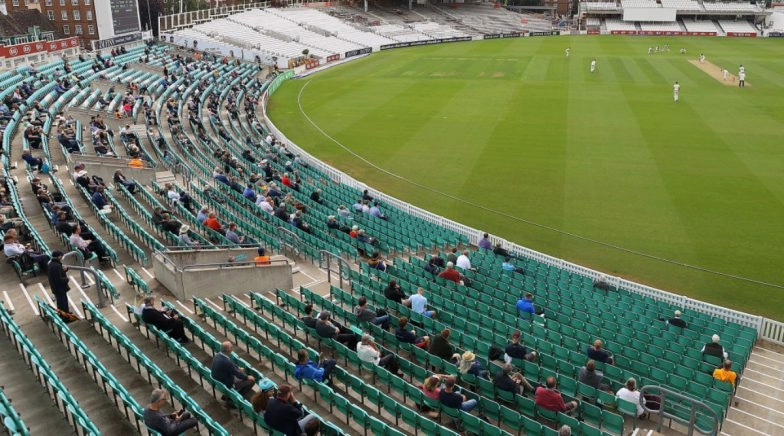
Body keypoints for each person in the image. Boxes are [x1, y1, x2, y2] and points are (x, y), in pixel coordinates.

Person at [211, 341, 255, 406]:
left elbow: (231, 365)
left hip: (219, 380)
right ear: (228, 350)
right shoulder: (226, 361)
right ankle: (233, 398)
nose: (232, 348)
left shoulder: (218, 355)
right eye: (231, 347)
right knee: (251, 381)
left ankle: (228, 396)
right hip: (226, 383)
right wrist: (247, 377)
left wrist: (237, 368)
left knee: (241, 373)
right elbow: (237, 373)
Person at [47, 251, 73, 321]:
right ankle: (65, 317)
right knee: (63, 303)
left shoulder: (52, 264)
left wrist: (64, 270)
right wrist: (67, 279)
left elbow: (57, 274)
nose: (62, 257)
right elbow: (58, 279)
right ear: (59, 256)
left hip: (56, 288)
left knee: (61, 302)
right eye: (61, 256)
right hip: (59, 288)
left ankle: (65, 313)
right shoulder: (56, 266)